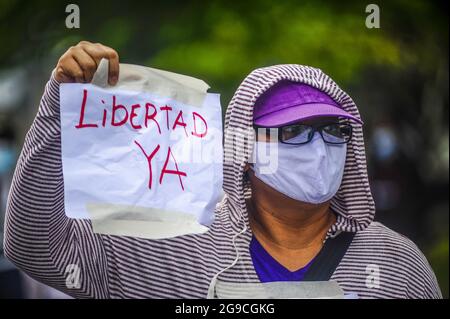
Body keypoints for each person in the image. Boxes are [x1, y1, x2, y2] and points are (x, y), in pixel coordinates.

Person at [4, 41, 442, 298]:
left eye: (332, 130)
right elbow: (36, 249)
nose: (320, 148)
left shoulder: (396, 263)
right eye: (294, 132)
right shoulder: (172, 245)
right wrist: (55, 112)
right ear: (243, 148)